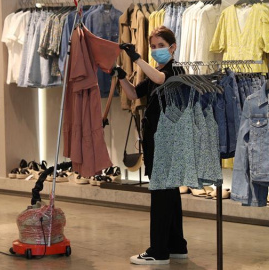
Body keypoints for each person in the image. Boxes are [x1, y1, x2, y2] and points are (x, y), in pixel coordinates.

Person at [112, 26, 187, 265]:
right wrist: (122, 76)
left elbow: (161, 80)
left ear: (172, 47)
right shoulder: (155, 72)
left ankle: (158, 250)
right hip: (157, 141)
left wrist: (137, 58)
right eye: (153, 47)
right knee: (170, 193)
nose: (156, 51)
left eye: (160, 46)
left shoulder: (176, 70)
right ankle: (177, 246)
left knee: (160, 195)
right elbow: (135, 94)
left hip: (166, 142)